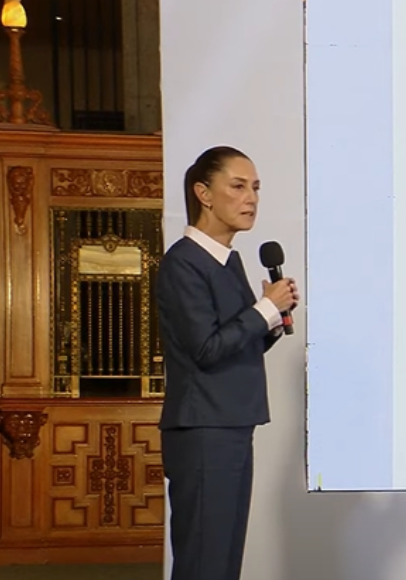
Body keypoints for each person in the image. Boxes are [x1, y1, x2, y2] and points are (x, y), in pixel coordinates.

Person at [156, 145, 298, 580]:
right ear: (204, 193)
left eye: (255, 187)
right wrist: (264, 310)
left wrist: (271, 322)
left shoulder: (228, 261)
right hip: (204, 429)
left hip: (231, 422)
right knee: (204, 559)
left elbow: (232, 345)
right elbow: (205, 348)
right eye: (237, 186)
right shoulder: (184, 262)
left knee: (224, 557)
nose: (250, 198)